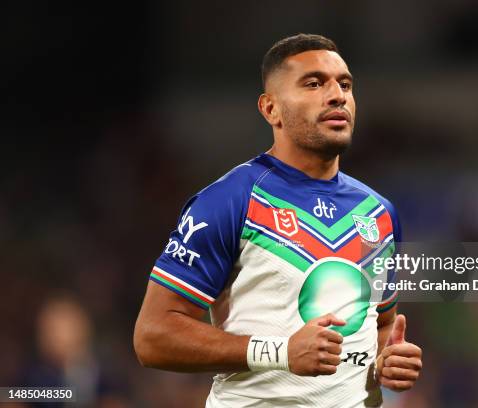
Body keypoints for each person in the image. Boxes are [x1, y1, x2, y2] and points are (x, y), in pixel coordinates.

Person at [134, 33, 422, 407]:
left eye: (345, 85)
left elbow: (380, 324)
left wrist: (389, 359)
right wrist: (280, 352)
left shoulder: (379, 212)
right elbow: (153, 337)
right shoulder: (229, 200)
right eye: (314, 83)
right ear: (270, 109)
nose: (337, 95)